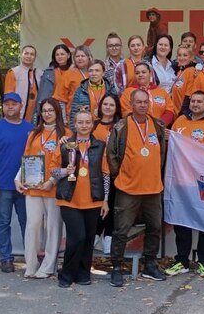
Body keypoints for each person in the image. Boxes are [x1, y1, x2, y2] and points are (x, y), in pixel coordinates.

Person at [107, 89, 168, 287]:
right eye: (139, 102)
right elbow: (111, 154)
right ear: (131, 104)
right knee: (121, 229)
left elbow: (162, 154)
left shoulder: (157, 125)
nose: (142, 105)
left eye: (145, 102)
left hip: (153, 188)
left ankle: (150, 263)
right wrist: (120, 176)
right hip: (128, 188)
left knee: (154, 227)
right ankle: (116, 267)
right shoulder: (121, 126)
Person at [165, 90, 204, 278]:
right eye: (193, 101)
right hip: (182, 181)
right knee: (182, 222)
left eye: (199, 101)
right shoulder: (180, 121)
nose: (196, 104)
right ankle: (182, 261)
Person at [0, 92, 34, 273]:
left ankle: (31, 257)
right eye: (7, 104)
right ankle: (6, 258)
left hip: (26, 186)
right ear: (3, 106)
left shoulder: (31, 129)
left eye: (14, 104)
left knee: (28, 223)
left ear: (21, 106)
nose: (10, 106)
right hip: (2, 186)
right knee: (3, 222)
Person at [54, 110, 109, 288]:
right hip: (69, 199)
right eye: (80, 122)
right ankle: (66, 275)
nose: (84, 125)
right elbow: (52, 171)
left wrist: (105, 200)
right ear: (74, 124)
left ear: (92, 125)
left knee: (88, 239)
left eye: (87, 122)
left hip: (93, 200)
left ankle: (83, 274)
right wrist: (65, 171)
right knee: (77, 237)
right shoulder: (65, 144)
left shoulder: (100, 146)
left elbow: (105, 174)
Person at [15, 98, 69, 279]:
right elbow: (26, 158)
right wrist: (18, 178)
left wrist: (52, 181)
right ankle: (31, 264)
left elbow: (68, 162)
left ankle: (48, 266)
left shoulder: (66, 134)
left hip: (54, 188)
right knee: (33, 225)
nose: (47, 114)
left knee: (53, 227)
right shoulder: (33, 133)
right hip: (33, 187)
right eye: (44, 110)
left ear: (57, 112)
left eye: (51, 110)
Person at [92, 94, 121, 256]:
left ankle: (108, 237)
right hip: (96, 172)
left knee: (111, 204)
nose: (108, 107)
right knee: (97, 205)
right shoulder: (94, 125)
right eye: (105, 104)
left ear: (116, 108)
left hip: (114, 172)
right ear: (100, 106)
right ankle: (96, 234)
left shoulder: (120, 126)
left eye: (111, 105)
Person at [120, 61, 175, 126]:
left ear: (150, 73)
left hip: (160, 128)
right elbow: (127, 112)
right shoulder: (127, 92)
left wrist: (160, 125)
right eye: (137, 73)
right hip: (137, 128)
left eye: (143, 72)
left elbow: (170, 110)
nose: (140, 75)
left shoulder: (162, 92)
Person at [71, 58, 115, 126]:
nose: (93, 74)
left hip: (107, 127)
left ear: (103, 73)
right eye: (91, 71)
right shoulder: (80, 91)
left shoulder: (111, 89)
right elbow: (74, 115)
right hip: (86, 128)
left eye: (97, 70)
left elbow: (117, 113)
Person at [54, 45, 93, 122]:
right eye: (77, 56)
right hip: (73, 117)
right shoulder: (68, 74)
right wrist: (63, 120)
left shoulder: (94, 73)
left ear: (89, 57)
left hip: (93, 116)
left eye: (83, 56)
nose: (80, 58)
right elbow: (60, 100)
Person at [34, 44, 72, 123]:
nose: (60, 56)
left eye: (62, 54)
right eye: (57, 54)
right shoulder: (48, 72)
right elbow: (42, 93)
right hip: (51, 108)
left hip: (69, 107)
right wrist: (38, 111)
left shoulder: (74, 71)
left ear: (68, 55)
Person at [4, 45, 39, 122]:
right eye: (26, 53)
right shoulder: (13, 72)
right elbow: (8, 97)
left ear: (35, 57)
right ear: (21, 55)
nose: (29, 56)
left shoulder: (40, 73)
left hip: (36, 115)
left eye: (32, 54)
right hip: (18, 115)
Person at [171, 45, 198, 115]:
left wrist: (182, 114)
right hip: (175, 112)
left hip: (183, 113)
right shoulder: (179, 71)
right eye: (179, 55)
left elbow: (188, 95)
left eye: (185, 55)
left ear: (191, 58)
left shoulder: (192, 71)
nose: (182, 58)